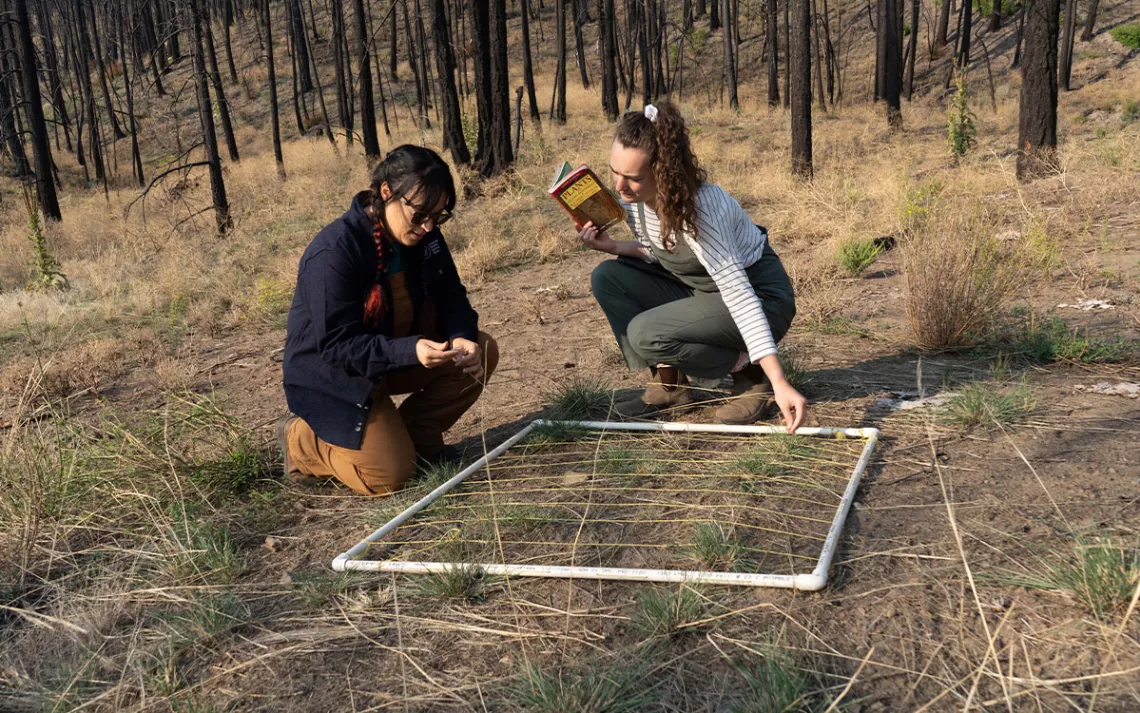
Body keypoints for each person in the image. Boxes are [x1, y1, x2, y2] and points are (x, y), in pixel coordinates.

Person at [278, 145, 498, 496]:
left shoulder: (425, 238)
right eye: (420, 214)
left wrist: (460, 336)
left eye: (438, 217)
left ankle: (418, 438)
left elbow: (452, 295)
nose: (428, 226)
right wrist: (410, 350)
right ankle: (302, 442)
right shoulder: (335, 251)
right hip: (336, 378)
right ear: (386, 193)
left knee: (482, 349)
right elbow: (337, 346)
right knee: (388, 478)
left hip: (390, 359)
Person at [579, 101, 806, 431]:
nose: (619, 186)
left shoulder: (700, 211)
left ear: (663, 172)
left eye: (632, 177)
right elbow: (664, 254)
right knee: (608, 277)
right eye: (614, 171)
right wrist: (612, 246)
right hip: (704, 293)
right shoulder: (639, 201)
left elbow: (740, 295)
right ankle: (672, 386)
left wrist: (780, 379)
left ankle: (751, 376)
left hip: (760, 299)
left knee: (645, 332)